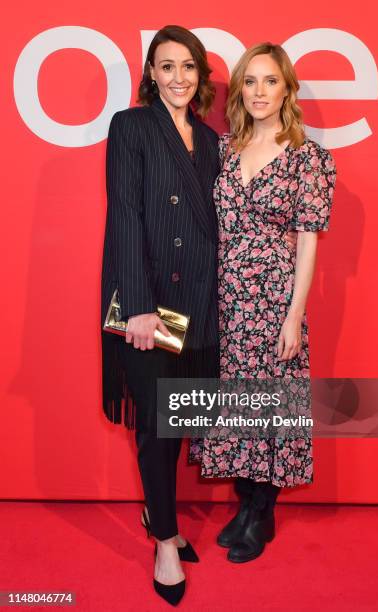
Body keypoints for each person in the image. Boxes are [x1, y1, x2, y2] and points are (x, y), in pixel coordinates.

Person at [190, 42, 336, 563]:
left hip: (274, 296)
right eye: (249, 81)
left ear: (287, 88)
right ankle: (248, 503)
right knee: (236, 400)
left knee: (271, 400)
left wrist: (295, 315)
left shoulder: (307, 157)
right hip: (224, 295)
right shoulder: (222, 150)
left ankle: (261, 511)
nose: (258, 92)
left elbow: (309, 240)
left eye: (269, 81)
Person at [100, 25, 221, 605]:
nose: (178, 77)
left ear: (200, 76)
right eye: (166, 66)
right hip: (150, 302)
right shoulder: (131, 126)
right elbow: (123, 212)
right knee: (156, 420)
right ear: (151, 73)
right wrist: (140, 309)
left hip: (198, 302)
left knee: (178, 420)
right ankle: (166, 539)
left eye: (188, 67)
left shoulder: (211, 139)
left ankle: (157, 506)